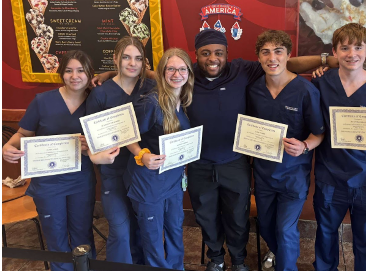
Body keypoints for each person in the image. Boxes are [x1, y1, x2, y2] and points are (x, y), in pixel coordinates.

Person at [92, 29, 335, 271]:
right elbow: (158, 70)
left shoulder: (243, 70)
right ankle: (216, 258)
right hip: (199, 163)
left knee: (238, 218)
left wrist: (328, 60)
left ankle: (238, 261)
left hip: (235, 161)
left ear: (227, 53)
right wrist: (112, 72)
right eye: (205, 53)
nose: (212, 58)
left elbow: (283, 62)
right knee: (205, 216)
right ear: (196, 56)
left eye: (218, 52)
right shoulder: (187, 75)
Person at [311, 23, 366, 271]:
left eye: (358, 47)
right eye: (344, 48)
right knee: (325, 236)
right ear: (334, 52)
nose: (352, 54)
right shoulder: (321, 83)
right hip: (330, 175)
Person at [2, 50, 97, 271]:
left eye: (81, 70)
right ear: (61, 74)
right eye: (69, 70)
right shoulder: (42, 101)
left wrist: (90, 147)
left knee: (83, 234)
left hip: (81, 181)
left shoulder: (96, 101)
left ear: (89, 73)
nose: (75, 76)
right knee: (55, 237)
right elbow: (23, 134)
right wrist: (7, 147)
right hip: (47, 183)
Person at [247, 30, 325, 271]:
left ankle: (286, 265)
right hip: (263, 174)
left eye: (278, 51)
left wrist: (304, 146)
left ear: (288, 55)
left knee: (284, 228)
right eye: (266, 52)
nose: (272, 58)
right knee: (268, 225)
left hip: (293, 176)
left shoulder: (305, 90)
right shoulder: (254, 90)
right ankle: (278, 252)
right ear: (258, 57)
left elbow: (319, 133)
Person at [123, 48, 194, 269]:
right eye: (170, 68)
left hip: (173, 180)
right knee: (153, 238)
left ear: (189, 73)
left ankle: (176, 267)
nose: (176, 74)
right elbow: (126, 135)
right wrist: (141, 155)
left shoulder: (181, 100)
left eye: (182, 69)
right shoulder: (151, 103)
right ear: (162, 72)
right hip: (149, 182)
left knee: (174, 229)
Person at [85, 36, 151, 264]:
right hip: (113, 174)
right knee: (121, 231)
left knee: (144, 229)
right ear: (115, 59)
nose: (132, 63)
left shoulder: (150, 87)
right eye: (126, 57)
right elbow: (91, 139)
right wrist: (98, 156)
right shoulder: (101, 94)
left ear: (144, 62)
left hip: (144, 173)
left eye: (138, 58)